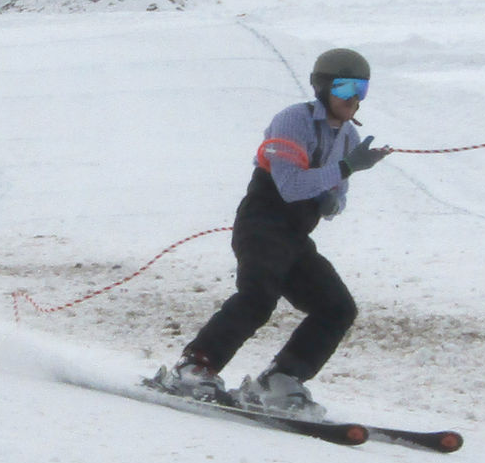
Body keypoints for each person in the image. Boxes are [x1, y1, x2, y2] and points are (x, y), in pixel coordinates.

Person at [157, 48, 390, 416]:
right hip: (262, 224)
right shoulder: (294, 121)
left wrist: (335, 200)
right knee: (258, 297)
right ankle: (194, 366)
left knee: (337, 308)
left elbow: (336, 195)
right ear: (324, 87)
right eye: (347, 88)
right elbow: (291, 187)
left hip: (295, 237)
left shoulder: (347, 137)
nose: (355, 99)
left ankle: (281, 379)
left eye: (362, 89)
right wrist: (345, 169)